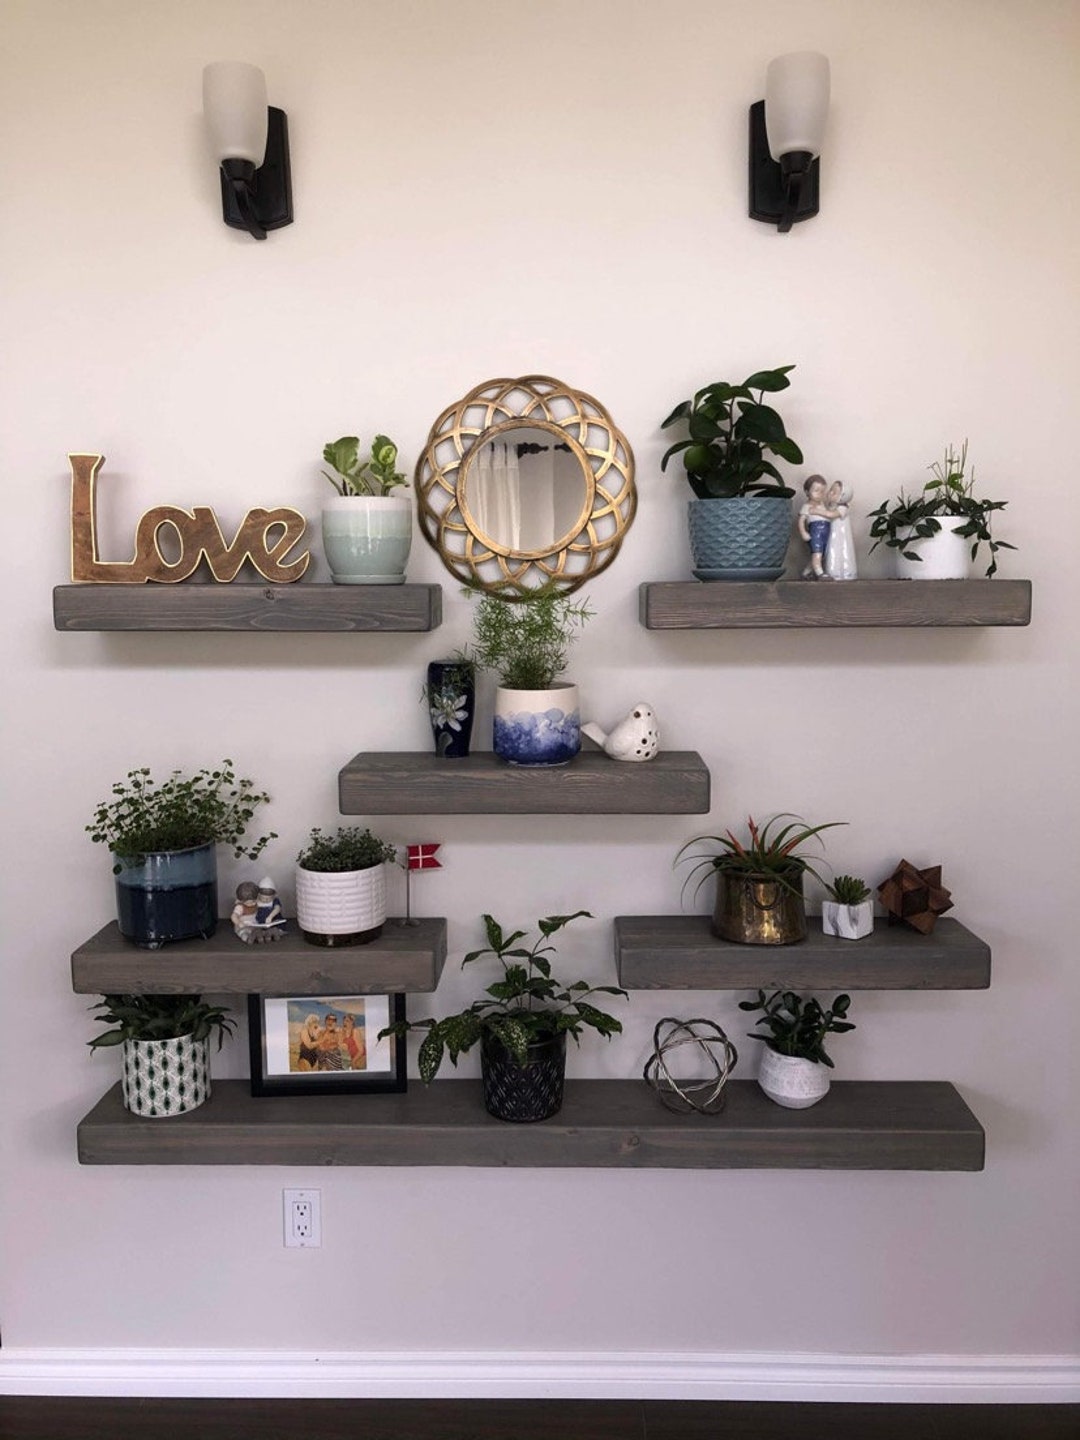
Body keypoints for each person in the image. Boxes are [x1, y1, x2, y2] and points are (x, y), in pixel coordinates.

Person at [797, 474, 841, 579]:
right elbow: (801, 520)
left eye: (822, 491)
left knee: (821, 553)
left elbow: (828, 513)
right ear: (807, 492)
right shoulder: (807, 506)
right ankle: (820, 573)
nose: (820, 494)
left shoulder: (822, 504)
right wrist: (803, 532)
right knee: (817, 552)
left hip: (825, 530)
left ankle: (806, 572)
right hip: (815, 531)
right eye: (816, 491)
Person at [824, 481, 858, 581]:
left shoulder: (842, 508)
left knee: (839, 551)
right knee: (832, 550)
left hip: (840, 536)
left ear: (842, 497)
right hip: (833, 534)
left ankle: (842, 572)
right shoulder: (832, 506)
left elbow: (831, 515)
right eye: (831, 490)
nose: (830, 493)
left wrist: (817, 511)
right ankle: (832, 571)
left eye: (834, 492)